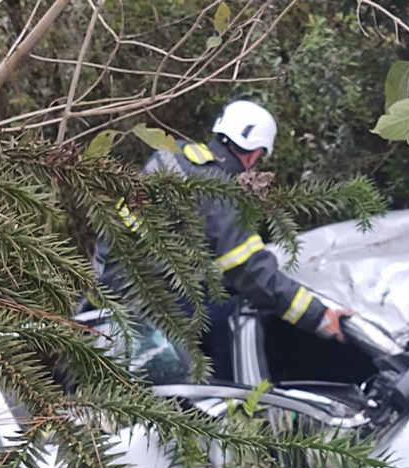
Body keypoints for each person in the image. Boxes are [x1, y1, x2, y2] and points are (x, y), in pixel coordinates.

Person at [96, 100, 350, 380]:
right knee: (223, 323)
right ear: (254, 155)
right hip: (147, 297)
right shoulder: (220, 191)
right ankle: (231, 407)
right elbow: (248, 269)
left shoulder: (173, 152)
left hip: (106, 274)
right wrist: (317, 315)